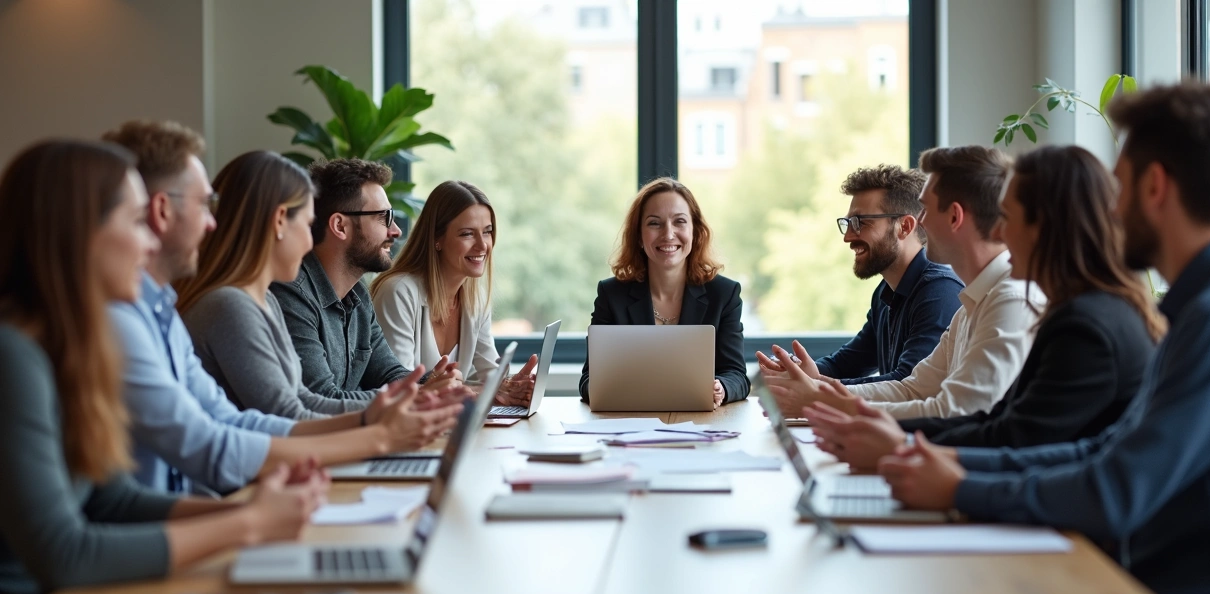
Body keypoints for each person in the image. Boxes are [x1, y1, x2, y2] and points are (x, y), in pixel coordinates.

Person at [859, 85, 1210, 594]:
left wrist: (957, 480)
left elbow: (1113, 485)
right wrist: (947, 464)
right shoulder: (1188, 314)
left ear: (1156, 186)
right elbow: (1101, 450)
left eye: (1119, 186)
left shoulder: (1197, 320)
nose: (1113, 208)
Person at [0, 139, 329, 594]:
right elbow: (63, 553)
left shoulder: (73, 347)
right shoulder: (14, 356)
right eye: (136, 222)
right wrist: (249, 524)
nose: (152, 241)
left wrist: (248, 510)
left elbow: (112, 499)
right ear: (78, 233)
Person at [103, 122, 464, 495]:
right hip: (237, 493)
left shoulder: (184, 309)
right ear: (280, 223)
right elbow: (249, 428)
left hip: (236, 495)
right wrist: (381, 432)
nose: (211, 223)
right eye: (308, 224)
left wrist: (388, 413)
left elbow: (239, 422)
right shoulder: (223, 306)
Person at [805, 145, 1162, 470]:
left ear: (1041, 229)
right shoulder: (1008, 304)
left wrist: (894, 442)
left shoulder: (1076, 320)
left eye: (1006, 217)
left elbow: (1009, 435)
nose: (999, 234)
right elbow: (995, 422)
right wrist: (863, 421)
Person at [761, 146, 1041, 420]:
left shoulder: (1008, 299)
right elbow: (913, 389)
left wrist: (822, 399)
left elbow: (956, 410)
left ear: (955, 216)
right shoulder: (970, 304)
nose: (921, 222)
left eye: (926, 210)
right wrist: (818, 392)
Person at [177, 151, 375, 419]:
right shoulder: (229, 306)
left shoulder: (265, 300)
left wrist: (397, 407)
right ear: (280, 220)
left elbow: (304, 400)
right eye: (307, 226)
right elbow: (288, 415)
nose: (310, 243)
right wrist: (380, 425)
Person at [783, 166, 964, 386]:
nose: (848, 237)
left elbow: (908, 386)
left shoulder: (940, 291)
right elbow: (848, 362)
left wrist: (817, 387)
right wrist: (799, 373)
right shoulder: (885, 292)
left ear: (904, 227)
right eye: (848, 223)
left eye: (861, 222)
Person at [578, 177, 748, 407]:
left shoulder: (724, 294)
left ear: (695, 232)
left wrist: (721, 388)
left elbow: (737, 375)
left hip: (703, 428)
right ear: (638, 236)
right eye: (654, 223)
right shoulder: (611, 295)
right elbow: (589, 380)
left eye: (679, 221)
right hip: (629, 423)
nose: (668, 234)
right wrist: (610, 390)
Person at [371, 180, 537, 405]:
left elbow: (490, 373)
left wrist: (510, 387)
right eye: (467, 234)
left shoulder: (474, 298)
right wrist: (481, 392)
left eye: (487, 232)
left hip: (443, 426)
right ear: (437, 239)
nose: (482, 245)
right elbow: (399, 389)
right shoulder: (399, 292)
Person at [270, 158, 421, 401]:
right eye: (384, 217)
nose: (396, 231)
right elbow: (322, 398)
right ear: (340, 226)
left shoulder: (358, 294)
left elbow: (388, 373)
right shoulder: (291, 294)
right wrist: (416, 396)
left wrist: (436, 383)